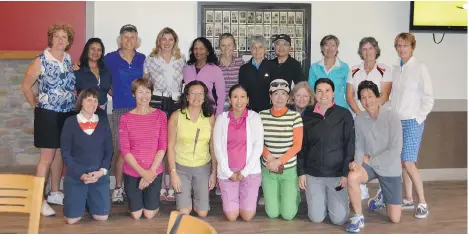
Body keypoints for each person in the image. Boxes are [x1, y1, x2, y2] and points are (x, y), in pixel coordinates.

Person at [21, 23, 77, 216]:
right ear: (51, 39)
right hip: (48, 113)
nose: (60, 40)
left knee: (59, 153)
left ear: (69, 41)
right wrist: (36, 105)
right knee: (46, 157)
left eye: (64, 37)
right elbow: (26, 86)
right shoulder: (41, 60)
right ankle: (39, 200)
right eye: (57, 36)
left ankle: (54, 192)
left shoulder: (68, 59)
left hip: (67, 113)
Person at [346, 81, 402, 233]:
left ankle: (382, 196)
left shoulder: (392, 117)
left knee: (395, 218)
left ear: (378, 97)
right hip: (369, 165)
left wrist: (369, 160)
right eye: (363, 97)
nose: (367, 100)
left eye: (370, 96)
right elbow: (359, 146)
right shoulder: (359, 118)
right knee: (352, 176)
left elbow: (395, 150)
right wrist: (357, 163)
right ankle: (358, 217)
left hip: (390, 167)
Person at [297, 78, 354, 226]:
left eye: (327, 90)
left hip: (336, 176)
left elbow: (350, 145)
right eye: (319, 91)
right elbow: (302, 146)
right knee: (316, 218)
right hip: (313, 175)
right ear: (314, 95)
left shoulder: (344, 114)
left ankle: (339, 199)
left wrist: (345, 174)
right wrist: (301, 172)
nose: (323, 94)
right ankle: (322, 201)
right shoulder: (307, 115)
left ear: (333, 93)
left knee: (339, 219)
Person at [391, 32, 433, 219]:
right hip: (398, 120)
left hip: (412, 121)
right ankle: (407, 198)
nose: (402, 49)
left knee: (409, 161)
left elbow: (428, 97)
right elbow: (395, 98)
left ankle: (422, 202)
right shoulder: (397, 69)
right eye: (399, 45)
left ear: (412, 47)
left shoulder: (419, 67)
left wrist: (419, 118)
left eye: (405, 45)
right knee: (403, 163)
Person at [346, 37, 392, 200]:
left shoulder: (385, 69)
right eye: (364, 49)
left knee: (380, 152)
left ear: (376, 50)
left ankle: (382, 188)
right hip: (360, 117)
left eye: (371, 48)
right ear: (361, 52)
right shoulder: (353, 70)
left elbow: (384, 95)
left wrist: (372, 113)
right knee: (361, 150)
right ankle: (361, 185)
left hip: (380, 119)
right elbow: (350, 96)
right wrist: (361, 114)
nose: (368, 52)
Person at [143, 27, 186, 204]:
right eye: (164, 39)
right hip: (156, 102)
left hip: (175, 102)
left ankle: (171, 185)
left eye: (170, 39)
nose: (167, 43)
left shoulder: (181, 60)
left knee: (172, 145)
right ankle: (160, 186)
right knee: (158, 145)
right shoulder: (150, 60)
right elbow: (145, 84)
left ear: (174, 41)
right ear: (158, 41)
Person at [106, 24, 146, 204]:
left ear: (137, 40)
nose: (129, 40)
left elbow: (148, 81)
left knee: (139, 150)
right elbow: (98, 74)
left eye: (132, 37)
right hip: (120, 110)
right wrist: (108, 89)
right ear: (120, 39)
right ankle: (118, 188)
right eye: (126, 37)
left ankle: (139, 185)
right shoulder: (110, 58)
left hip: (140, 110)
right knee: (121, 150)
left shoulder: (143, 59)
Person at [61, 88, 112, 224]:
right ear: (81, 102)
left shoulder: (103, 122)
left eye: (95, 100)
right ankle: (78, 201)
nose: (93, 103)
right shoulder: (70, 122)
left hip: (98, 175)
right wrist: (80, 174)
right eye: (89, 99)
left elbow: (109, 152)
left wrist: (101, 172)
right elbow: (65, 153)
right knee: (72, 220)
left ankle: (89, 202)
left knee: (102, 217)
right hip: (76, 175)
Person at [213, 84, 264, 221]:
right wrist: (229, 173)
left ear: (248, 100)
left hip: (250, 171)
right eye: (235, 97)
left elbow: (258, 146)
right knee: (231, 216)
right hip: (227, 172)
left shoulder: (255, 117)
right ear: (229, 99)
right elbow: (217, 147)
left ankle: (245, 200)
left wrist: (244, 173)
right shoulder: (222, 119)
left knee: (247, 217)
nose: (239, 101)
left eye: (242, 97)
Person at [119, 78, 168, 219]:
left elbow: (162, 146)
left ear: (152, 93)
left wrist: (150, 172)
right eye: (140, 92)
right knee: (136, 215)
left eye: (147, 91)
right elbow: (125, 150)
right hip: (133, 171)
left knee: (149, 214)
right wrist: (142, 172)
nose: (144, 96)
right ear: (134, 94)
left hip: (154, 171)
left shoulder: (160, 115)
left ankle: (149, 200)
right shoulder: (125, 118)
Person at [167, 80, 217, 217]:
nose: (197, 97)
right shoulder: (177, 116)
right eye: (193, 93)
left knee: (202, 213)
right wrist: (173, 173)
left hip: (202, 167)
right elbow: (170, 146)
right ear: (187, 96)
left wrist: (213, 171)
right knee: (184, 212)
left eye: (200, 93)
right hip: (181, 167)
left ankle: (196, 199)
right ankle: (186, 201)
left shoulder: (210, 117)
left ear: (205, 96)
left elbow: (213, 147)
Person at [259, 79, 303, 220]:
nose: (279, 97)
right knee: (272, 214)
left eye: (283, 94)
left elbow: (297, 145)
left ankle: (294, 195)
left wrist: (279, 161)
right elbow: (257, 142)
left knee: (288, 215)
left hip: (288, 169)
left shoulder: (295, 117)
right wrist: (270, 158)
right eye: (275, 93)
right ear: (270, 97)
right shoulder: (261, 116)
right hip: (268, 168)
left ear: (288, 97)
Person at [183, 37, 225, 116]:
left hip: (208, 112)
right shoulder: (186, 69)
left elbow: (221, 96)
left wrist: (218, 116)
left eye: (202, 49)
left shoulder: (215, 70)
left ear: (208, 51)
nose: (198, 51)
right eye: (196, 49)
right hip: (189, 112)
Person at [309, 35, 350, 109]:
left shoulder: (344, 67)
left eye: (333, 45)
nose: (330, 48)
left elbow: (348, 92)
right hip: (320, 108)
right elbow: (311, 91)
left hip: (340, 108)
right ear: (322, 48)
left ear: (337, 48)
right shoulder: (314, 67)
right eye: (326, 45)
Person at [238, 35, 277, 113]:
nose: (257, 50)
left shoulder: (273, 67)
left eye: (260, 47)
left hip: (269, 110)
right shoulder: (244, 69)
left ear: (265, 49)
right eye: (254, 47)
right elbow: (242, 90)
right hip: (249, 111)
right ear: (250, 49)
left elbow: (276, 90)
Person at [75, 38, 112, 116]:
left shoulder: (106, 71)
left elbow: (109, 90)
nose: (96, 52)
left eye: (99, 50)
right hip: (83, 114)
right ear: (87, 50)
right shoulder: (78, 70)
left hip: (102, 115)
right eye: (93, 49)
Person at [218, 33, 244, 110]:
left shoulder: (240, 62)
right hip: (219, 106)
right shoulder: (214, 64)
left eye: (229, 45)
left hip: (236, 105)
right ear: (219, 47)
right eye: (223, 45)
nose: (226, 48)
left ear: (234, 46)